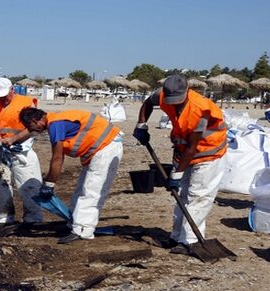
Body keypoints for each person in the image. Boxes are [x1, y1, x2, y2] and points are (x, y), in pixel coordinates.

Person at [133, 74, 227, 254]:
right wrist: (141, 125)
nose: (174, 104)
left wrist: (176, 175)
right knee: (180, 196)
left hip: (209, 154)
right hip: (182, 151)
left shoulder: (200, 108)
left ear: (187, 91)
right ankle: (176, 237)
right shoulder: (162, 95)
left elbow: (193, 148)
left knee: (198, 197)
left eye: (178, 100)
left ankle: (189, 241)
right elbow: (147, 103)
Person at [19, 107, 123, 244]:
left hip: (106, 146)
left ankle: (83, 229)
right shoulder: (55, 121)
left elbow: (57, 158)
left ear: (35, 120)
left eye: (30, 127)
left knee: (92, 190)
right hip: (99, 148)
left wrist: (49, 184)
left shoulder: (55, 125)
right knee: (82, 188)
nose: (32, 131)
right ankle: (74, 223)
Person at [0, 77, 43, 230]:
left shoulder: (26, 102)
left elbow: (34, 127)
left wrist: (14, 139)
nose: (1, 98)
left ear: (12, 90)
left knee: (29, 184)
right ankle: (4, 218)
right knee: (0, 182)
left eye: (4, 94)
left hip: (22, 149)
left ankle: (33, 218)